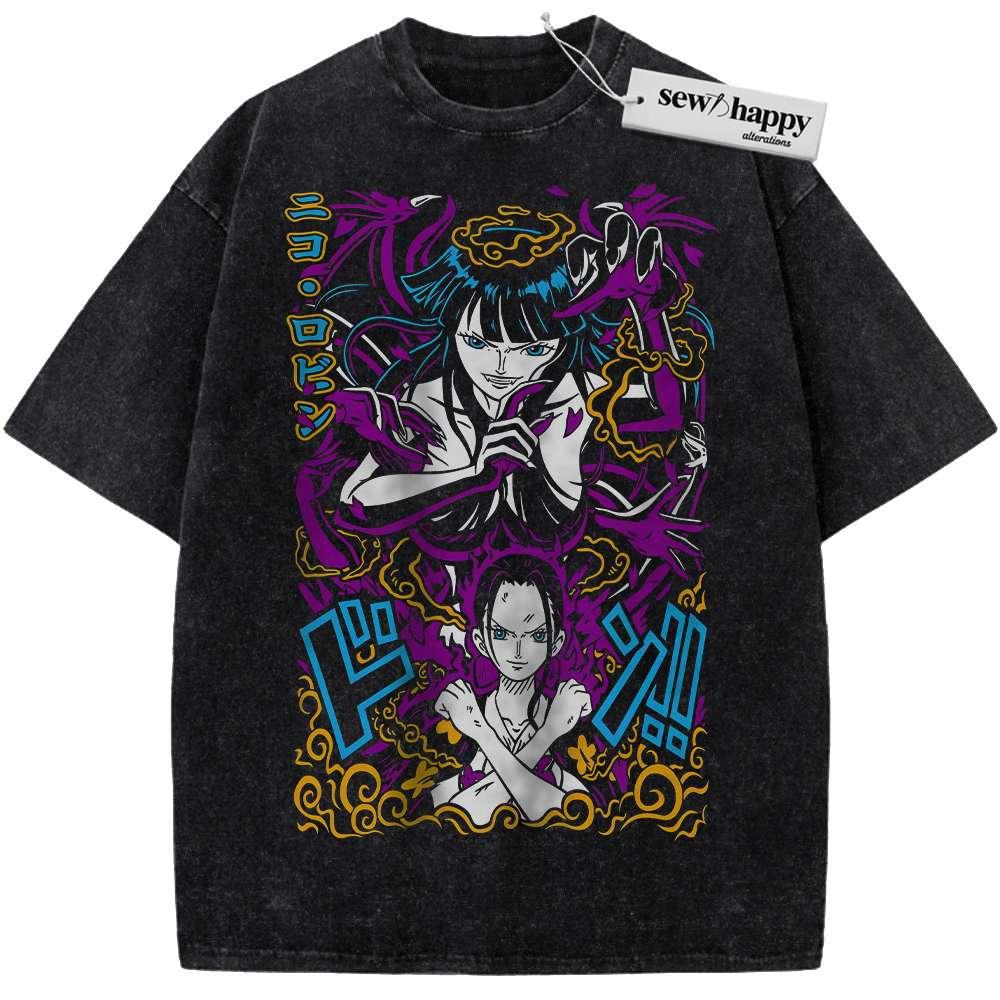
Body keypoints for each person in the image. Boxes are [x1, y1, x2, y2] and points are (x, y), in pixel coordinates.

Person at [429, 555, 593, 825]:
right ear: (480, 640)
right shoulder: (461, 724)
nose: (518, 651)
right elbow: (452, 814)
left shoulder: (471, 719)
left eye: (536, 635)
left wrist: (481, 732)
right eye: (501, 634)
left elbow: (571, 814)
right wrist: (548, 733)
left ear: (556, 642)